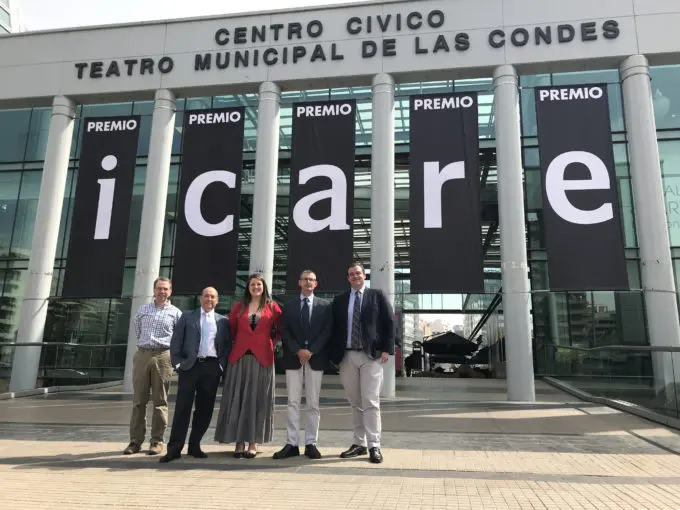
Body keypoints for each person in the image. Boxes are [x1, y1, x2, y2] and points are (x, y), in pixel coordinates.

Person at [330, 262, 395, 464]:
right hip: (347, 357)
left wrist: (387, 349)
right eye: (351, 274)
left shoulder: (377, 295)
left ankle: (374, 445)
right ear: (348, 278)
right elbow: (333, 328)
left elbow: (389, 323)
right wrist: (334, 357)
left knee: (371, 402)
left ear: (364, 275)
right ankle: (359, 443)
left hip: (371, 356)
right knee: (355, 403)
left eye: (358, 273)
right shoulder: (340, 300)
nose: (355, 276)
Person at [159, 287, 230, 463]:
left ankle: (194, 445)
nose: (209, 299)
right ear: (201, 298)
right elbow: (176, 341)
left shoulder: (222, 321)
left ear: (217, 300)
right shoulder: (187, 316)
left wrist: (221, 366)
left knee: (205, 410)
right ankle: (174, 449)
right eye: (206, 296)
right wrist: (178, 363)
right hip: (190, 368)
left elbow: (226, 345)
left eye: (213, 297)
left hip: (212, 368)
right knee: (183, 408)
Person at [214, 273, 282, 459]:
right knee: (239, 398)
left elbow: (280, 330)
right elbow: (232, 330)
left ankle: (253, 441)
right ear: (248, 287)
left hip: (263, 360)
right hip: (240, 359)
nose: (255, 287)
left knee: (258, 400)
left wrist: (271, 344)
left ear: (263, 287)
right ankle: (239, 441)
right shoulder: (238, 306)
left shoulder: (272, 307)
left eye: (258, 284)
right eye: (252, 284)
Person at [273, 269, 332, 460]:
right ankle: (291, 443)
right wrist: (298, 350)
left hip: (316, 359)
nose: (308, 282)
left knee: (313, 403)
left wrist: (311, 351)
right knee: (292, 402)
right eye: (305, 279)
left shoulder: (325, 306)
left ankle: (311, 443)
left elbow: (326, 331)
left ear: (316, 284)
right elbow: (284, 331)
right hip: (293, 359)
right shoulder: (288, 306)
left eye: (312, 280)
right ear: (299, 282)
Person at [123, 277, 182, 456]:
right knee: (138, 401)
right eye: (159, 288)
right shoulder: (143, 310)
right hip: (143, 354)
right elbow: (137, 329)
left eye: (165, 289)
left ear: (170, 291)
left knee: (160, 401)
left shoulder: (176, 313)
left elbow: (179, 336)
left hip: (163, 356)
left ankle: (156, 442)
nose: (162, 292)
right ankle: (135, 441)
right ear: (154, 290)